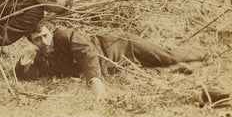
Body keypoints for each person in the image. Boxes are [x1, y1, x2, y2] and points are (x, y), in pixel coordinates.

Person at [15, 22, 209, 101]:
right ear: (31, 41)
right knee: (151, 68)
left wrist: (96, 85)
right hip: (114, 65)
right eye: (37, 39)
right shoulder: (41, 55)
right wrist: (24, 60)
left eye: (45, 35)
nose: (44, 41)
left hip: (121, 45)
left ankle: (204, 54)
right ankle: (178, 68)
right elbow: (31, 75)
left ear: (51, 31)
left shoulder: (65, 36)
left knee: (167, 56)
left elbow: (87, 54)